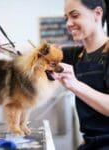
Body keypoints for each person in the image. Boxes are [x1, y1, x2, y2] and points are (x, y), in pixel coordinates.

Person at [53, 0, 109, 149]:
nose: (68, 23)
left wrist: (75, 85)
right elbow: (37, 52)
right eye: (66, 18)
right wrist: (1, 46)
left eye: (75, 15)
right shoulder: (76, 55)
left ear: (97, 13)